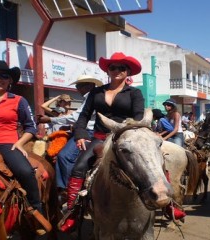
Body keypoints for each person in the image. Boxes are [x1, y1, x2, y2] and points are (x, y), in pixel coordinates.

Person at [59, 52, 145, 232]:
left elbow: (138, 117)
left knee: (149, 161)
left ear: (128, 71)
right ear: (108, 70)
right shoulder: (96, 92)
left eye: (121, 68)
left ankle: (168, 201)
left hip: (126, 137)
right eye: (113, 67)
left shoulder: (135, 93)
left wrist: (131, 132)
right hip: (99, 137)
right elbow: (83, 115)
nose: (117, 70)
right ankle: (73, 211)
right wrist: (80, 134)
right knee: (79, 167)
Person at [0, 60, 51, 234]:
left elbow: (30, 127)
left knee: (26, 172)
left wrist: (19, 143)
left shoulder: (19, 100)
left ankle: (35, 211)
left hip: (7, 144)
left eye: (4, 76)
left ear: (10, 81)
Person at [37, 75, 103, 196]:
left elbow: (75, 118)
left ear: (89, 86)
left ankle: (69, 190)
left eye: (79, 86)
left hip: (86, 132)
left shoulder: (91, 97)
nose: (78, 89)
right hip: (78, 130)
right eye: (64, 101)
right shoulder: (88, 98)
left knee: (64, 156)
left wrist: (50, 120)